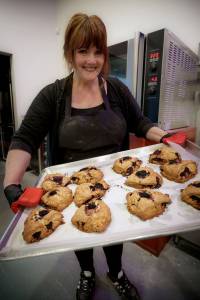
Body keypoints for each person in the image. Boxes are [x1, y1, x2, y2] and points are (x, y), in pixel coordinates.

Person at [3, 13, 182, 300]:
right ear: (70, 53)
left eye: (98, 51)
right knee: (80, 233)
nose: (91, 59)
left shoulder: (117, 90)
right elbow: (24, 139)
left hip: (117, 183)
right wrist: (11, 183)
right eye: (83, 50)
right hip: (70, 187)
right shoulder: (53, 96)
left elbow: (141, 123)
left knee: (114, 234)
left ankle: (116, 272)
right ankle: (87, 273)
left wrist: (166, 137)